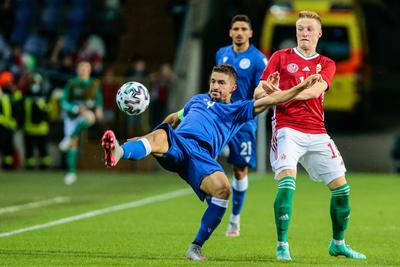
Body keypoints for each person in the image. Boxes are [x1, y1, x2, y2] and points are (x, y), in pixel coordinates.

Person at [101, 64, 320, 260]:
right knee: (161, 135)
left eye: (221, 83)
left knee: (223, 190)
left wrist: (301, 87)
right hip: (179, 143)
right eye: (213, 81)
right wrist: (147, 135)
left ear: (233, 87)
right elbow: (172, 119)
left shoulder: (238, 109)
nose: (215, 86)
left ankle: (196, 247)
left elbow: (274, 99)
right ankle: (118, 152)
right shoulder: (196, 100)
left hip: (202, 158)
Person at [254, 11, 366, 261]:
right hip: (287, 129)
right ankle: (282, 244)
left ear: (319, 33)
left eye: (309, 29)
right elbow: (258, 92)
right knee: (287, 185)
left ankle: (338, 243)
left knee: (342, 191)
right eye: (300, 28)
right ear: (296, 32)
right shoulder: (280, 57)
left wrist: (280, 92)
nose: (304, 33)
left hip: (317, 132)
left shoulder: (326, 63)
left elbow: (314, 92)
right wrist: (267, 90)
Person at [215, 14, 267, 236]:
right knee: (205, 155)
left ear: (250, 33)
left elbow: (261, 91)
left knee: (239, 170)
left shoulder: (258, 60)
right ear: (230, 32)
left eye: (244, 29)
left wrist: (253, 112)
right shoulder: (221, 54)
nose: (239, 32)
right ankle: (212, 198)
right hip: (219, 116)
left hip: (243, 122)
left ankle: (235, 219)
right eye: (236, 28)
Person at [59, 61, 103, 185]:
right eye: (82, 69)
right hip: (71, 116)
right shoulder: (72, 83)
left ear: (90, 70)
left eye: (86, 69)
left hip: (84, 115)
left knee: (90, 117)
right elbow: (63, 101)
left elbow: (98, 98)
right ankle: (71, 173)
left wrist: (99, 109)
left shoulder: (94, 83)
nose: (84, 71)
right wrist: (75, 109)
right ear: (78, 70)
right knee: (73, 144)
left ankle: (70, 137)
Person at [22, 73, 51, 169]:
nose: (35, 84)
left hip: (41, 129)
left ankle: (44, 166)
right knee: (29, 149)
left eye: (37, 82)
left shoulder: (44, 99)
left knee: (43, 149)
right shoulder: (25, 98)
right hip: (29, 128)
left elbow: (47, 114)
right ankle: (30, 166)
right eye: (34, 82)